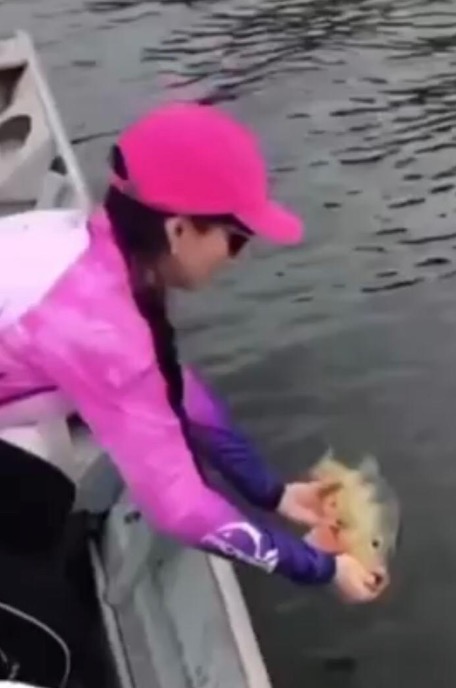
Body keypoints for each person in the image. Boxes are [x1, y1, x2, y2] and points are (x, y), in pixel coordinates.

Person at [0, 102, 385, 688]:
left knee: (42, 502)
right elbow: (181, 510)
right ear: (179, 229)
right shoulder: (98, 323)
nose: (242, 256)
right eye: (236, 239)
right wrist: (319, 567)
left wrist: (273, 493)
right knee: (57, 651)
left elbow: (173, 389)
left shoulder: (95, 261)